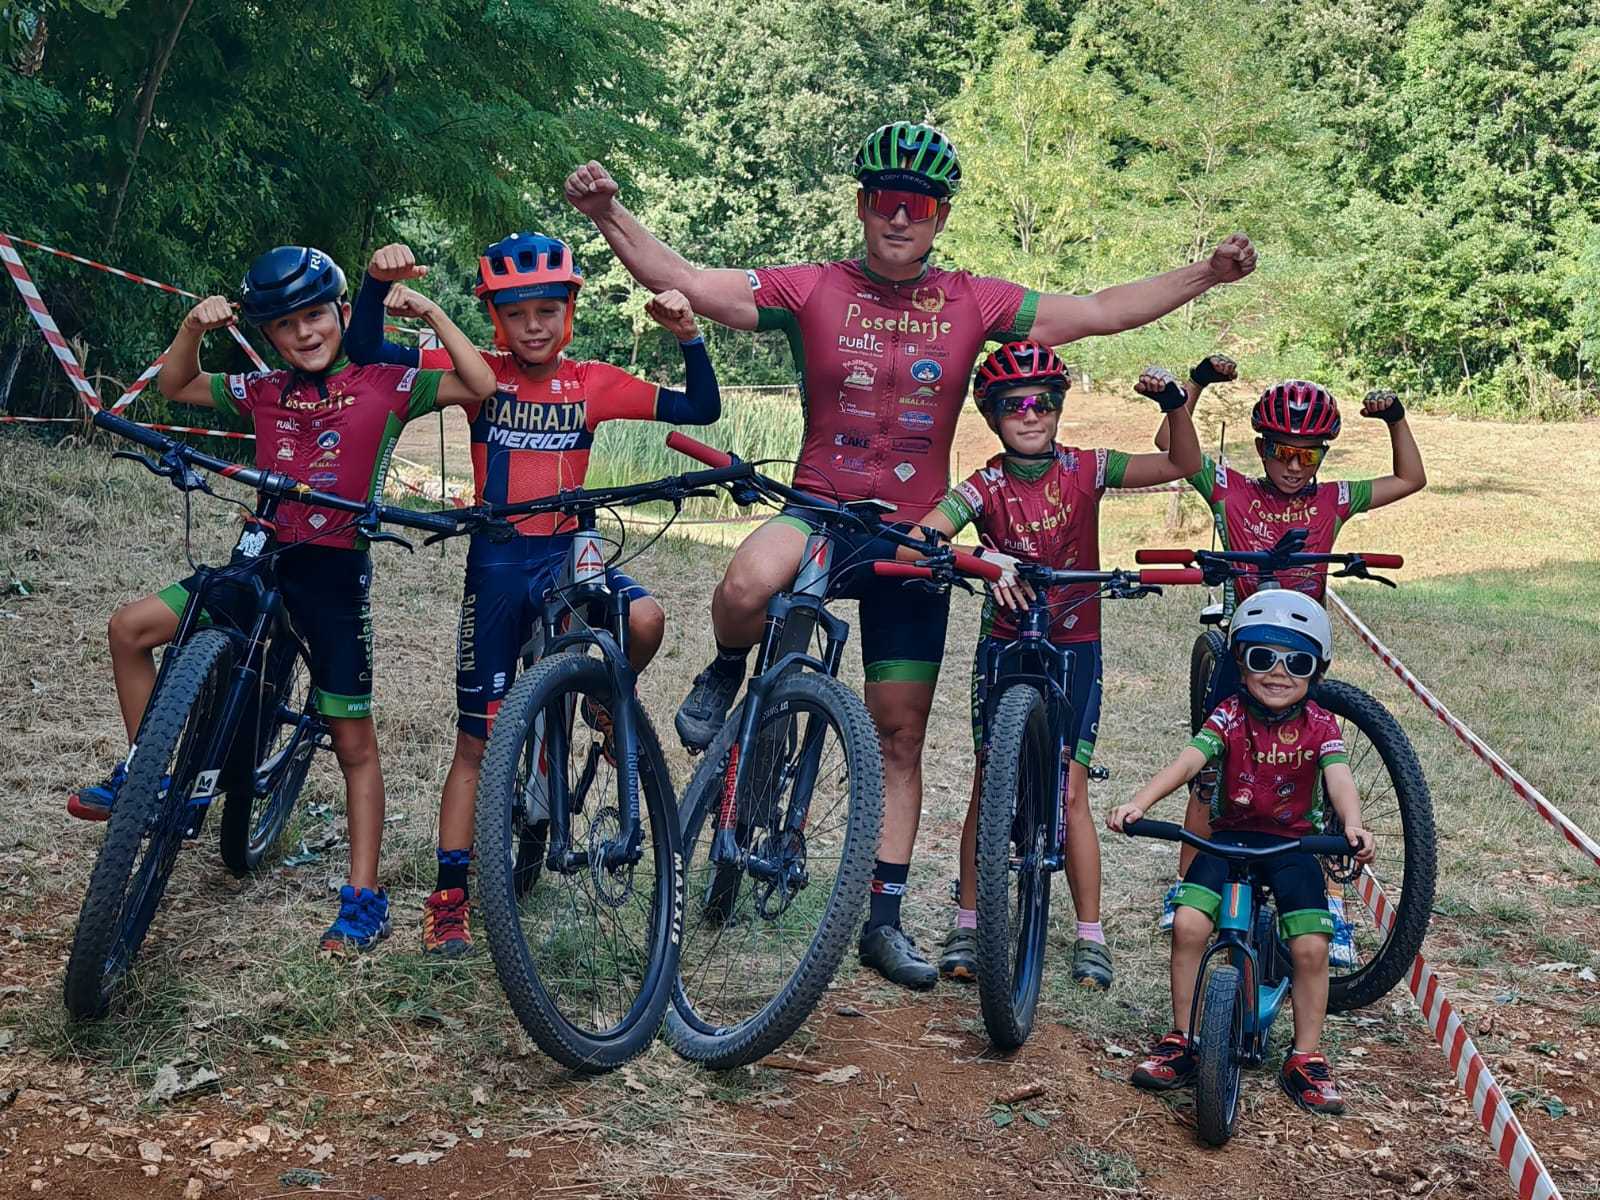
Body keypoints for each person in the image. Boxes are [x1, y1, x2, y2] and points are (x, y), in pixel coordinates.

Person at [565, 121, 1258, 987]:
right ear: (863, 206)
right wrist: (608, 213)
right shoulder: (811, 287)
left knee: (900, 736)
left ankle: (883, 920)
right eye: (886, 201)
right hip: (820, 510)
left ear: (940, 217)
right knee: (746, 583)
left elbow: (1097, 310)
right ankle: (728, 666)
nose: (900, 217)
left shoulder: (975, 302)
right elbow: (691, 282)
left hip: (915, 534)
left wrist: (1207, 274)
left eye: (919, 206)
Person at [68, 245, 496, 953]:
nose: (304, 333)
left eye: (316, 316)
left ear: (343, 313)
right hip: (260, 559)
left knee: (354, 744)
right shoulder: (264, 389)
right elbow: (177, 386)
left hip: (333, 576)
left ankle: (364, 899)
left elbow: (479, 383)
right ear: (269, 336)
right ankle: (152, 775)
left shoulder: (388, 384)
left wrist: (428, 311)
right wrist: (192, 328)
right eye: (286, 326)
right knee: (129, 628)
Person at [342, 236, 721, 956]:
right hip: (498, 567)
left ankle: (604, 702)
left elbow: (700, 407)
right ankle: (449, 900)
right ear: (494, 320)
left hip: (567, 558)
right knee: (476, 742)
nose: (534, 327)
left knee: (645, 618)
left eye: (547, 310)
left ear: (569, 311)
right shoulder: (478, 373)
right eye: (516, 315)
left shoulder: (592, 383)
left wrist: (689, 337)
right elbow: (365, 352)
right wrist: (372, 287)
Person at [896, 343, 1200, 989]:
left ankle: (1090, 933)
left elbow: (1182, 463)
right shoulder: (986, 484)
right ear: (993, 417)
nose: (1030, 415)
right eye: (1013, 406)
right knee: (988, 782)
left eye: (1042, 402)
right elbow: (916, 543)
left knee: (1072, 790)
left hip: (1076, 642)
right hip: (1005, 643)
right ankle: (969, 922)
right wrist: (980, 556)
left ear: (1059, 407)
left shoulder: (1088, 467)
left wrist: (1176, 404)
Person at [1151, 357, 1426, 960]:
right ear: (1261, 448)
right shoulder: (1231, 489)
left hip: (1303, 657)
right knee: (1210, 773)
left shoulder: (1332, 499)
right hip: (1246, 653)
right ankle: (1188, 887)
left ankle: (1331, 907)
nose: (1295, 466)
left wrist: (1395, 419)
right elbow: (1171, 447)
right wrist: (1192, 385)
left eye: (1309, 454)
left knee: (1319, 779)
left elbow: (1410, 479)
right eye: (1282, 451)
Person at [1106, 589, 1375, 1115]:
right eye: (1261, 657)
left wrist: (1352, 824)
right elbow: (1187, 762)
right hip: (1226, 840)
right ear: (1239, 662)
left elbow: (1339, 777)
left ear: (1317, 671)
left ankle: (1306, 1056)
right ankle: (1182, 1038)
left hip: (1293, 845)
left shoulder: (1321, 724)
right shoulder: (1228, 716)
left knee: (1311, 947)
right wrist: (1139, 803)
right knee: (1188, 925)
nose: (1278, 673)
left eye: (1297, 662)